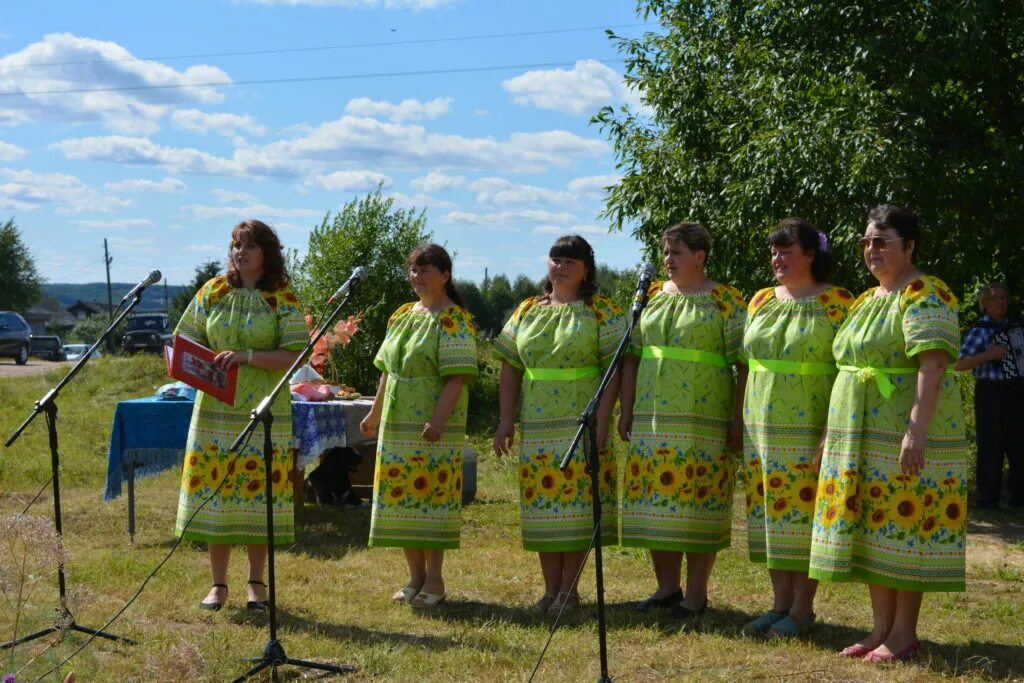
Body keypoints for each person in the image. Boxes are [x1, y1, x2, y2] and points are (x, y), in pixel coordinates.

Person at [809, 205, 967, 663]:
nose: (871, 250)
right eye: (866, 242)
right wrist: (829, 436)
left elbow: (933, 363)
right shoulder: (866, 299)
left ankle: (904, 634)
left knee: (903, 527)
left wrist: (915, 433)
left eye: (882, 241)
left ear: (910, 246)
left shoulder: (925, 292)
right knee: (875, 529)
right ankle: (880, 629)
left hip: (901, 429)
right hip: (860, 433)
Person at [175, 219, 307, 611]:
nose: (240, 252)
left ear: (267, 252)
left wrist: (248, 357)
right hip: (215, 408)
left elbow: (297, 354)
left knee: (258, 494)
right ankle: (217, 585)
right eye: (235, 245)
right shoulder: (212, 291)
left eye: (249, 245)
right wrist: (196, 363)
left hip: (263, 410)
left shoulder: (281, 296)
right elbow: (186, 339)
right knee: (218, 494)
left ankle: (256, 582)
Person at [617, 222, 747, 619]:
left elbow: (742, 364)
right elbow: (632, 355)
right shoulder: (651, 297)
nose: (667, 260)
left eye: (675, 253)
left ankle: (695, 594)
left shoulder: (726, 300)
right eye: (665, 253)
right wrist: (627, 408)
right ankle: (666, 587)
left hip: (702, 419)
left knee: (697, 502)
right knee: (657, 503)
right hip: (653, 419)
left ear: (699, 256)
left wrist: (736, 418)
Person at [492, 235, 626, 616]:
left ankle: (570, 590)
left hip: (580, 421)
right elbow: (510, 366)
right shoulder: (527, 310)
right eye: (555, 259)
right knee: (544, 508)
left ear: (586, 270)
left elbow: (613, 369)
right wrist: (505, 420)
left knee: (577, 507)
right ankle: (550, 590)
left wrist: (603, 420)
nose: (561, 266)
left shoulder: (602, 311)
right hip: (537, 425)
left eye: (570, 261)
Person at [740, 218, 853, 637]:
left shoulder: (840, 301)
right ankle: (779, 604)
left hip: (809, 421)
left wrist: (831, 431)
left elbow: (847, 367)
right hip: (761, 426)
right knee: (772, 514)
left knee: (805, 515)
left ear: (811, 255)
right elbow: (746, 363)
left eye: (786, 250)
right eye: (774, 251)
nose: (777, 258)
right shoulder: (760, 300)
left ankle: (803, 609)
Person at [359, 244, 477, 608]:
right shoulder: (402, 315)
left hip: (433, 424)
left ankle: (436, 582)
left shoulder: (454, 319)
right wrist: (374, 414)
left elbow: (457, 377)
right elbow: (387, 372)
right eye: (413, 269)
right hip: (398, 424)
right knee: (402, 500)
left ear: (445, 275)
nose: (417, 276)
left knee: (432, 500)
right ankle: (414, 578)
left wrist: (438, 421)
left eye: (425, 269)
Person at [955, 283, 1024, 509]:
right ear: (984, 303)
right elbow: (959, 363)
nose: (1001, 302)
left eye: (1004, 298)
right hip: (990, 392)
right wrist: (989, 355)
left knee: (1018, 443)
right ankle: (988, 498)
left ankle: (1018, 497)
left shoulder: (1016, 329)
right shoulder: (980, 330)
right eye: (996, 298)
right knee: (990, 443)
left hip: (1016, 390)